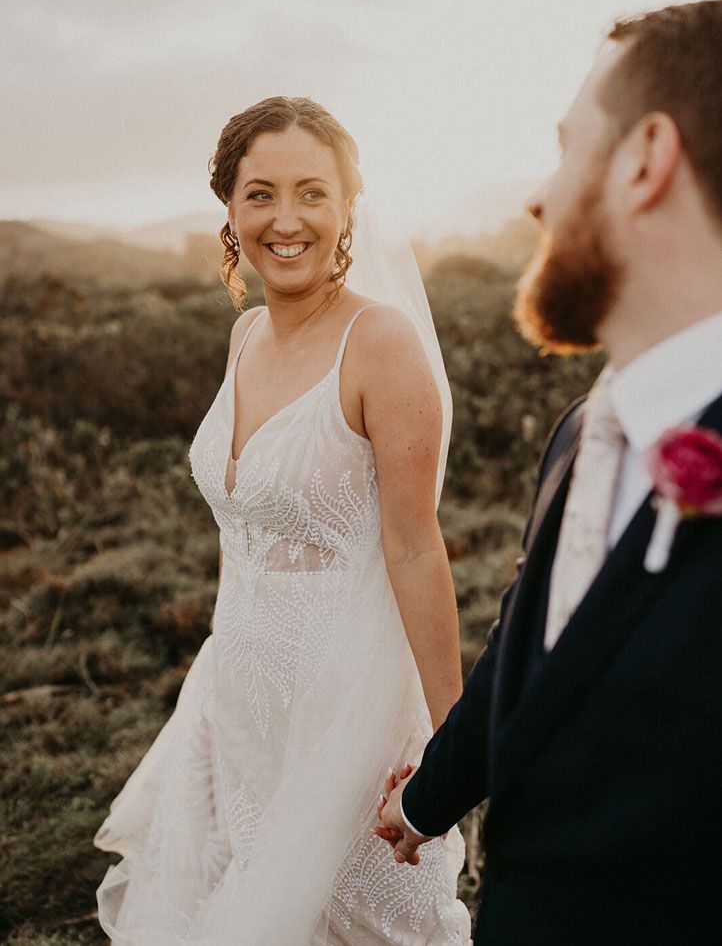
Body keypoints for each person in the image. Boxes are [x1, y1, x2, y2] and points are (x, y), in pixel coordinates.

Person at [377, 0, 722, 945]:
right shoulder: (585, 429)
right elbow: (538, 658)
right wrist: (429, 798)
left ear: (646, 159)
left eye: (569, 148)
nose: (538, 196)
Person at [94, 96, 471, 944]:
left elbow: (415, 547)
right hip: (238, 693)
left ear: (347, 207)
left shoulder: (382, 343)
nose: (286, 218)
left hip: (349, 702)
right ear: (229, 206)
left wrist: (456, 743)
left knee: (362, 920)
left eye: (312, 192)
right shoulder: (246, 335)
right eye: (260, 193)